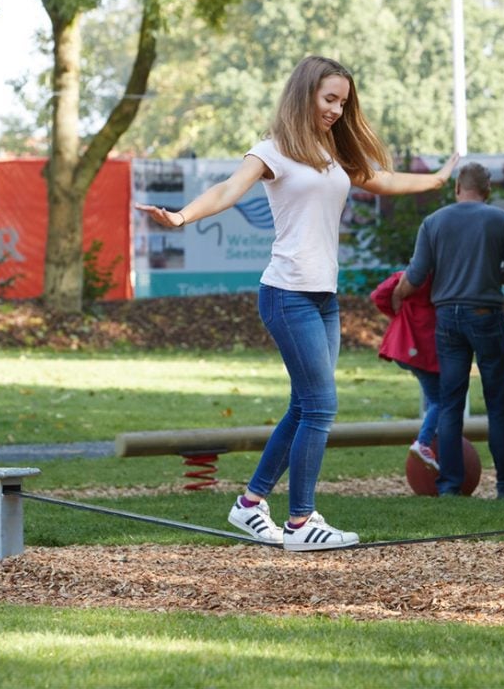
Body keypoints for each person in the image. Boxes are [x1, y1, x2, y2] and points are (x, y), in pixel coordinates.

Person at [136, 55, 458, 550]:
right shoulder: (272, 151)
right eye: (329, 98)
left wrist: (436, 180)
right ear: (305, 93)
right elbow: (228, 189)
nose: (336, 109)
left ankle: (249, 505)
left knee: (305, 404)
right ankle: (301, 523)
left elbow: (383, 179)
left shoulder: (332, 153)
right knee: (321, 406)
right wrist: (181, 218)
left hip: (322, 297)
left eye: (343, 102)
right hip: (286, 294)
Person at [391, 162, 504, 498]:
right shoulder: (499, 219)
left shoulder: (433, 222)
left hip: (447, 321)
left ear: (458, 188)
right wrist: (490, 275)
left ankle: (449, 486)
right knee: (499, 405)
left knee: (450, 404)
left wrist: (395, 296)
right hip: (485, 315)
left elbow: (415, 276)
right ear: (487, 191)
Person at [370, 270, 440, 472]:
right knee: (441, 399)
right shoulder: (438, 277)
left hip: (403, 346)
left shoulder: (407, 275)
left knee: (432, 394)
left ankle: (431, 433)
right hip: (423, 348)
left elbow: (379, 295)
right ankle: (424, 442)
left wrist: (397, 314)